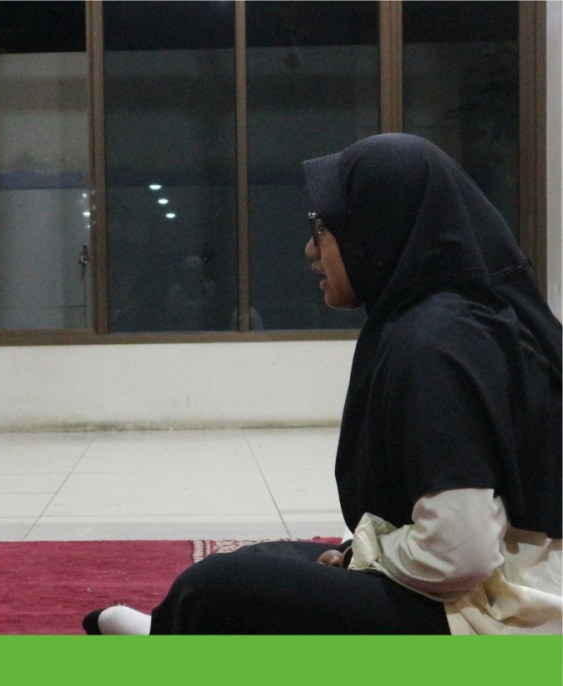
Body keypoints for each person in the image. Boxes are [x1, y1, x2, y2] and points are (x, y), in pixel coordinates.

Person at [84, 133, 561, 635]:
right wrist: (363, 555)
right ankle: (171, 633)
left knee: (223, 587)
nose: (311, 249)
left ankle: (166, 643)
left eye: (324, 228)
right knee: (269, 559)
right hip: (496, 591)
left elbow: (459, 554)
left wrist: (368, 555)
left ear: (377, 229)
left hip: (504, 620)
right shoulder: (458, 320)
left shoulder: (435, 343)